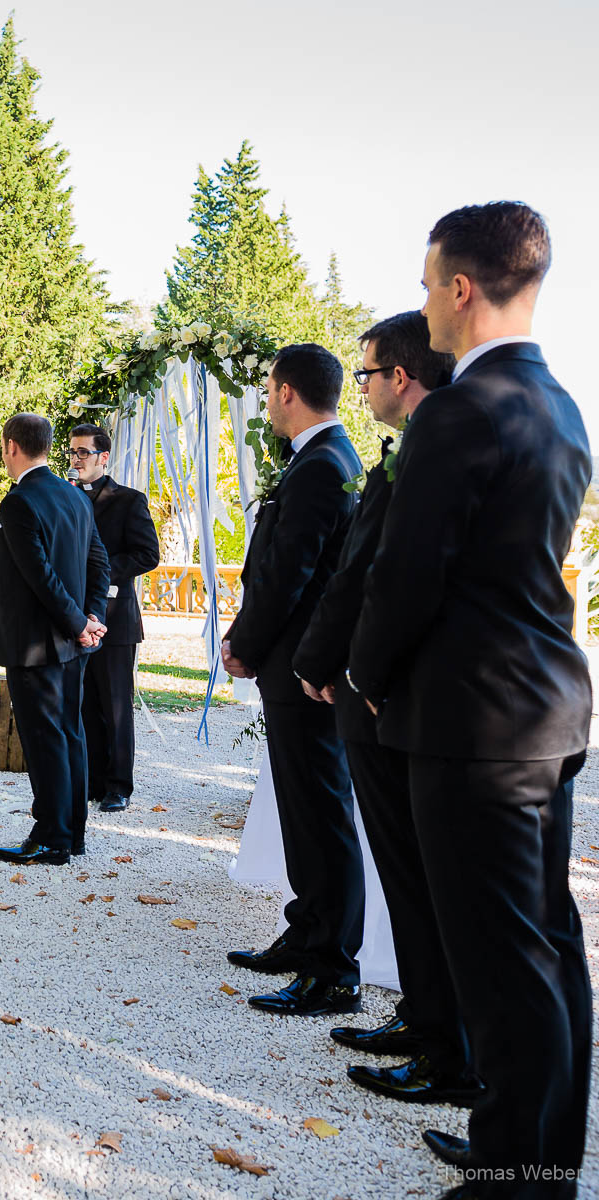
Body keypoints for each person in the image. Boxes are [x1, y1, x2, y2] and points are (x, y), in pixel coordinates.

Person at [347, 203, 589, 1200]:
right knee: (546, 949)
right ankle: (536, 1158)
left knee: (499, 962)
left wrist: (365, 675)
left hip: (473, 721)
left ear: (458, 287)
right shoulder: (564, 405)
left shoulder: (458, 410)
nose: (422, 305)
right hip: (545, 710)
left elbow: (411, 577)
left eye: (425, 282)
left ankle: (516, 1180)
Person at [290, 315, 474, 1108]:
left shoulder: (436, 445)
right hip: (373, 685)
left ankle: (447, 1043)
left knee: (427, 877)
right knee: (405, 873)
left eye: (365, 373)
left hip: (393, 686)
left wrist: (352, 668)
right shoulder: (397, 453)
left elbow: (389, 576)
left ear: (400, 375)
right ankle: (423, 1016)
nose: (361, 386)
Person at [221, 344, 363, 1018]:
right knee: (305, 810)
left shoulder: (320, 465)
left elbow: (290, 572)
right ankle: (305, 931)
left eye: (269, 390)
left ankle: (331, 967)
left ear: (285, 392)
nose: (267, 401)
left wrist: (245, 644)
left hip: (303, 666)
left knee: (321, 814)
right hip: (299, 661)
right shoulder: (327, 458)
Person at [0, 414, 109, 867]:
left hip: (36, 643)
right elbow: (100, 564)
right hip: (73, 644)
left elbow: (40, 577)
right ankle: (71, 834)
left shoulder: (20, 501)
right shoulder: (73, 496)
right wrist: (92, 617)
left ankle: (52, 836)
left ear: (11, 446)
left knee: (45, 739)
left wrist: (80, 621)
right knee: (69, 734)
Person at [66, 423, 160, 813]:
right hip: (71, 617)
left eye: (83, 452)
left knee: (115, 705)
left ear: (103, 457)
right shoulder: (63, 497)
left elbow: (147, 554)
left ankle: (119, 785)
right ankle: (91, 780)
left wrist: (100, 572)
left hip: (115, 618)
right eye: (72, 452)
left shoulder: (129, 500)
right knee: (83, 701)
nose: (75, 459)